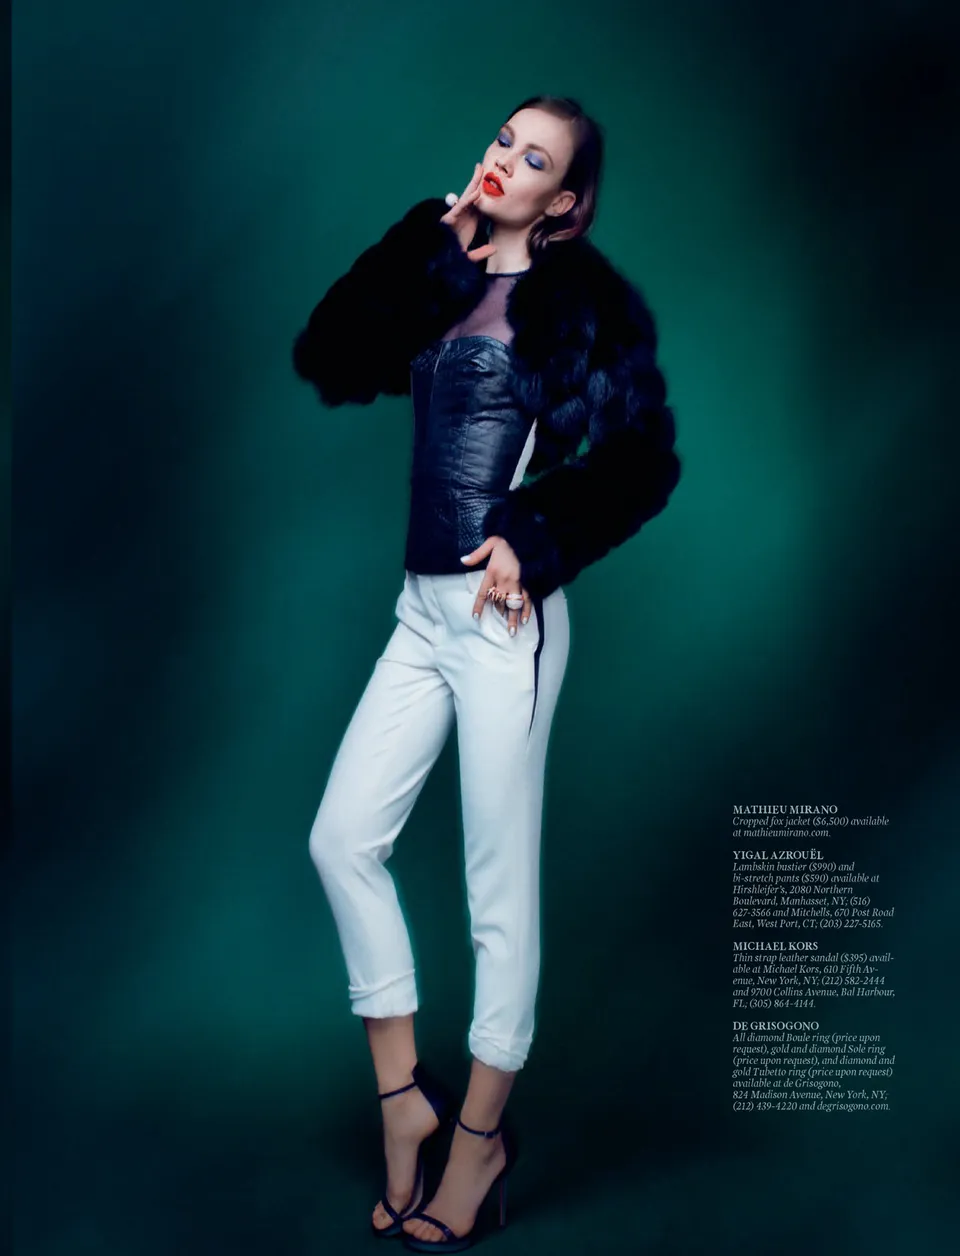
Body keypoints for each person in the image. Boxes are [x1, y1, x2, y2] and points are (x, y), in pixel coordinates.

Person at [292, 95, 682, 1251]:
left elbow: (645, 458)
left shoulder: (583, 307)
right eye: (506, 140)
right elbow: (329, 355)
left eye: (536, 158)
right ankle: (404, 1099)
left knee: (494, 893)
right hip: (418, 612)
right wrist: (434, 239)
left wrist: (535, 534)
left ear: (567, 200)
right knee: (340, 838)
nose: (507, 161)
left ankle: (476, 1143)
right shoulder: (444, 271)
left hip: (502, 622)